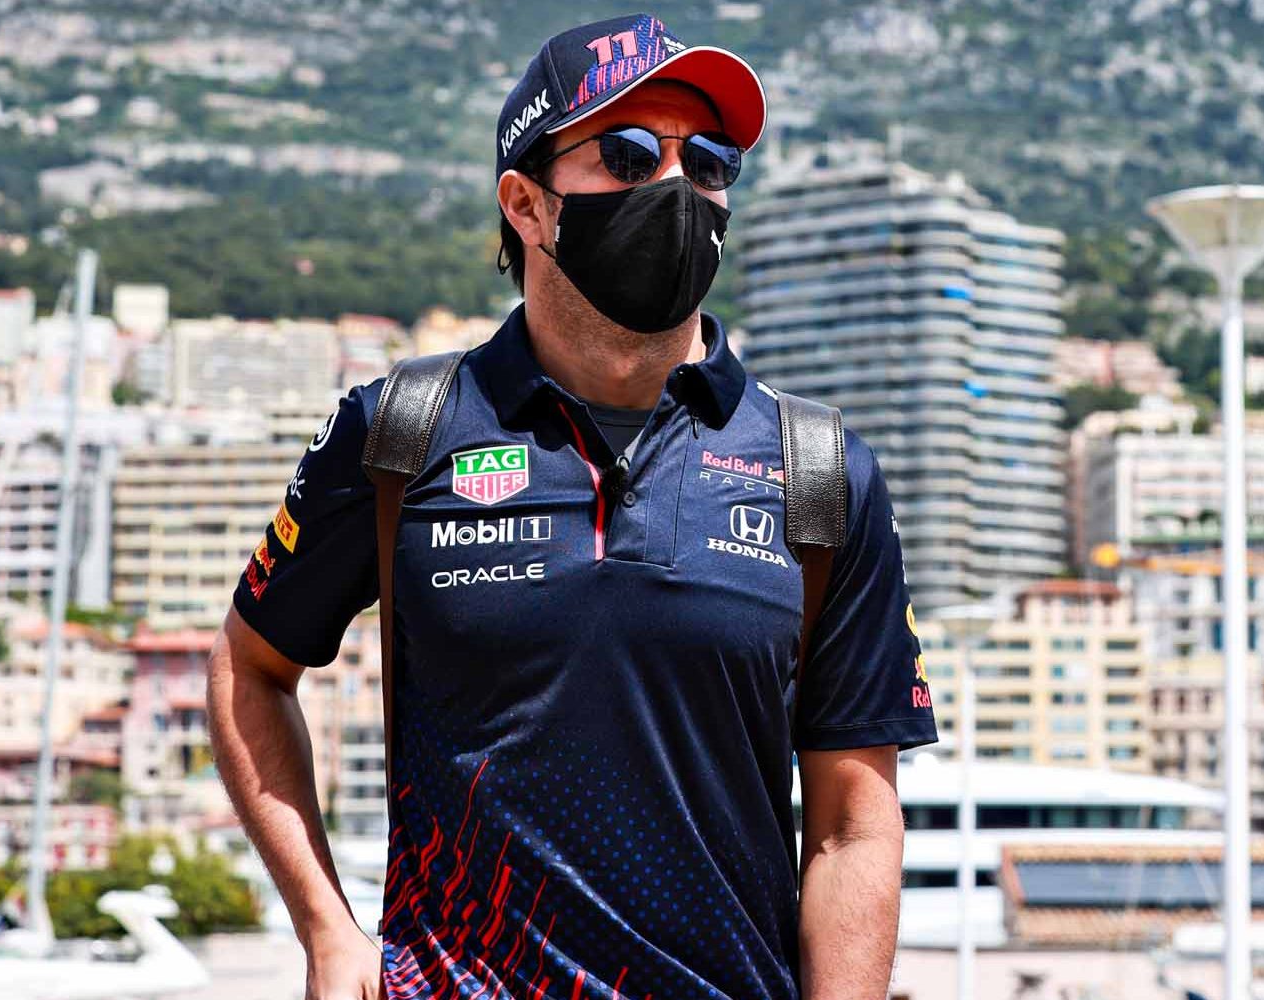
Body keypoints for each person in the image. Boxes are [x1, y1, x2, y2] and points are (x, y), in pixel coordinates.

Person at [206, 12, 939, 1000]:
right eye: (632, 155)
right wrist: (328, 931)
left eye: (710, 161)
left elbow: (852, 824)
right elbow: (250, 667)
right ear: (527, 203)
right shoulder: (402, 433)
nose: (680, 189)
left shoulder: (820, 470)